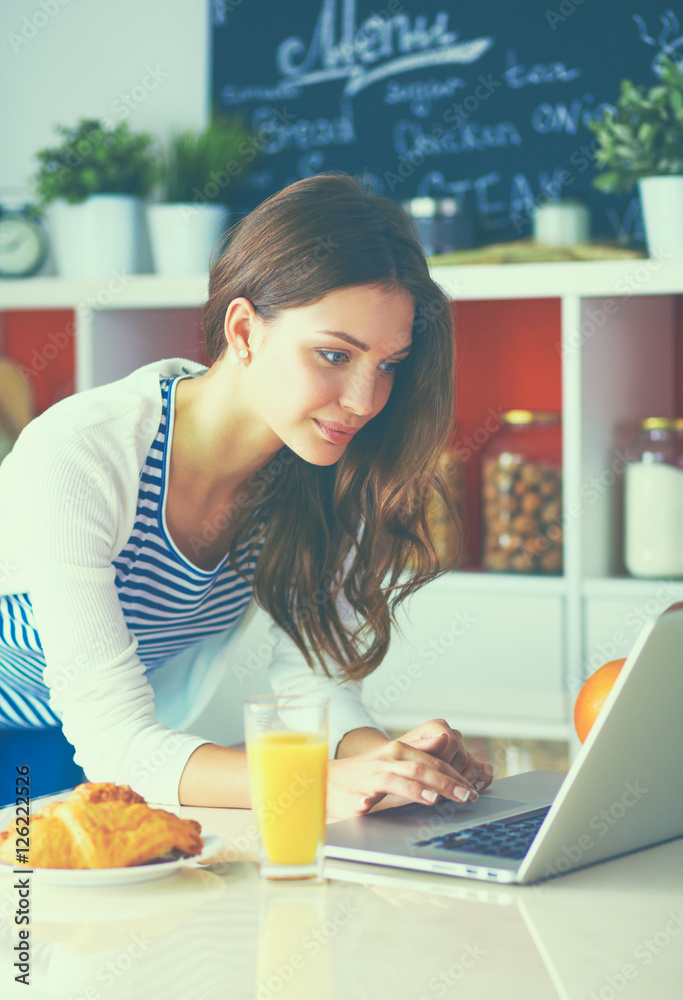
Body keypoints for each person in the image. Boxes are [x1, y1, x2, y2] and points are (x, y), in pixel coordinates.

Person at [0, 172, 493, 816]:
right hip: (72, 742)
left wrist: (388, 764)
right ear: (242, 332)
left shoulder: (323, 468)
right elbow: (115, 741)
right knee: (26, 919)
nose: (365, 401)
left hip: (87, 745)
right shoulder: (81, 454)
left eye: (389, 365)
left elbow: (316, 680)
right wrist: (316, 784)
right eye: (334, 356)